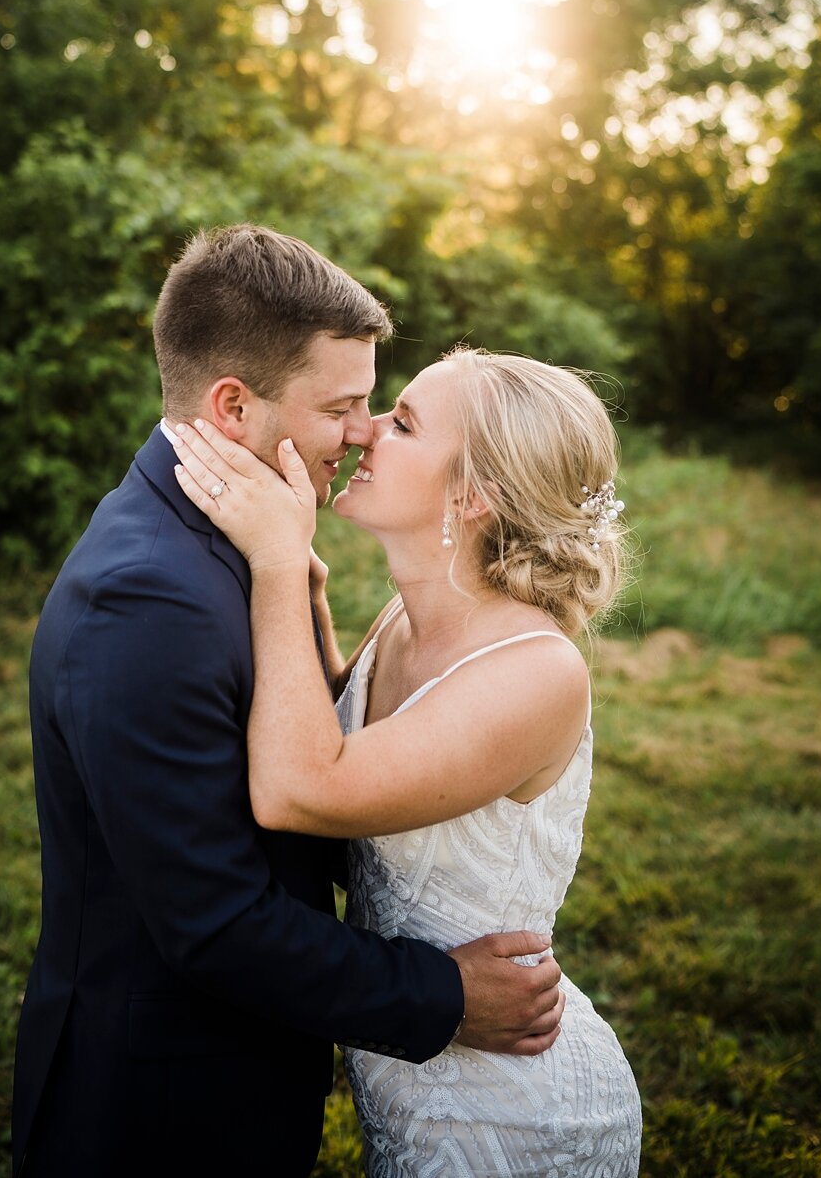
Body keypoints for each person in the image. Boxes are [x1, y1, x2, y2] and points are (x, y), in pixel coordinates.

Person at [12, 226, 565, 1177]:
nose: (361, 432)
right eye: (345, 405)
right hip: (156, 1109)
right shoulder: (146, 595)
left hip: (243, 1070)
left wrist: (299, 594)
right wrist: (440, 994)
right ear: (234, 406)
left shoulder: (237, 546)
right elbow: (213, 922)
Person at [168, 344, 643, 1176]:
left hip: (515, 1112)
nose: (365, 429)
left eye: (405, 421)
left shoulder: (536, 673)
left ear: (475, 492)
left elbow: (299, 788)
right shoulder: (403, 620)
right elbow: (334, 749)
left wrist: (279, 562)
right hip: (414, 1071)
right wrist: (311, 595)